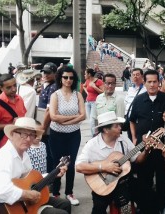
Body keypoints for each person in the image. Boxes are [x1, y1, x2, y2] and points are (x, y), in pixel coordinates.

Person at [0, 117, 71, 214]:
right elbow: (1, 191)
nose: (28, 139)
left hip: (24, 201)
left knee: (65, 204)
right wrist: (27, 194)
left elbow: (28, 181)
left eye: (32, 135)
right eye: (23, 134)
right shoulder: (3, 158)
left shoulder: (24, 154)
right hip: (6, 209)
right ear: (12, 134)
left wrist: (54, 174)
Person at [76, 111, 151, 214]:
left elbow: (137, 159)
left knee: (148, 197)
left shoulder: (123, 140)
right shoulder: (92, 145)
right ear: (106, 129)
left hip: (125, 182)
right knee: (98, 210)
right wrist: (103, 167)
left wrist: (146, 151)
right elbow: (79, 167)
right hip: (103, 186)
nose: (120, 127)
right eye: (116, 126)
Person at [129, 69, 165, 213]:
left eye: (155, 81)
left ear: (159, 82)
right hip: (143, 147)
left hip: (162, 148)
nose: (152, 85)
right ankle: (146, 208)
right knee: (144, 179)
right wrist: (134, 138)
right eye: (149, 82)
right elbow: (132, 121)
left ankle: (164, 208)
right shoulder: (138, 100)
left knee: (163, 180)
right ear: (144, 83)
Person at [49, 65, 85, 205]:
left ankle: (69, 192)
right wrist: (73, 118)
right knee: (57, 164)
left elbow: (83, 116)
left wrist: (64, 120)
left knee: (70, 164)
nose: (68, 80)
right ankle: (56, 193)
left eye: (71, 77)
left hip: (74, 135)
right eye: (65, 77)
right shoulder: (55, 95)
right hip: (56, 134)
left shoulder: (78, 95)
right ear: (60, 78)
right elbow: (53, 116)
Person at [0, 74, 26, 150]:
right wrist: (12, 125)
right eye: (9, 87)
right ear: (0, 88)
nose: (13, 89)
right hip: (5, 145)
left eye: (15, 85)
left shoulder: (19, 99)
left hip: (20, 141)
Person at [38, 62, 58, 172]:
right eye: (44, 72)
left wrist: (43, 128)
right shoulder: (46, 85)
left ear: (55, 74)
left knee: (49, 153)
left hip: (48, 124)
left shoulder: (53, 87)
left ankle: (51, 178)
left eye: (48, 73)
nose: (45, 75)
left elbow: (49, 110)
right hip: (43, 121)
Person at [123, 68, 146, 139]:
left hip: (139, 120)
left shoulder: (145, 90)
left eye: (137, 75)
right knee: (130, 139)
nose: (135, 76)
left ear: (142, 76)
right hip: (129, 119)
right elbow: (126, 103)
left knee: (138, 140)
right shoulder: (130, 89)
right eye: (133, 75)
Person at [83, 68, 104, 136]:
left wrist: (94, 87)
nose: (84, 75)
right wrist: (87, 93)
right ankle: (96, 135)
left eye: (85, 73)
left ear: (89, 74)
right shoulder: (87, 81)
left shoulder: (99, 81)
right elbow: (84, 86)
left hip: (95, 102)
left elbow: (103, 92)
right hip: (88, 102)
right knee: (91, 121)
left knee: (92, 121)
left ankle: (94, 137)